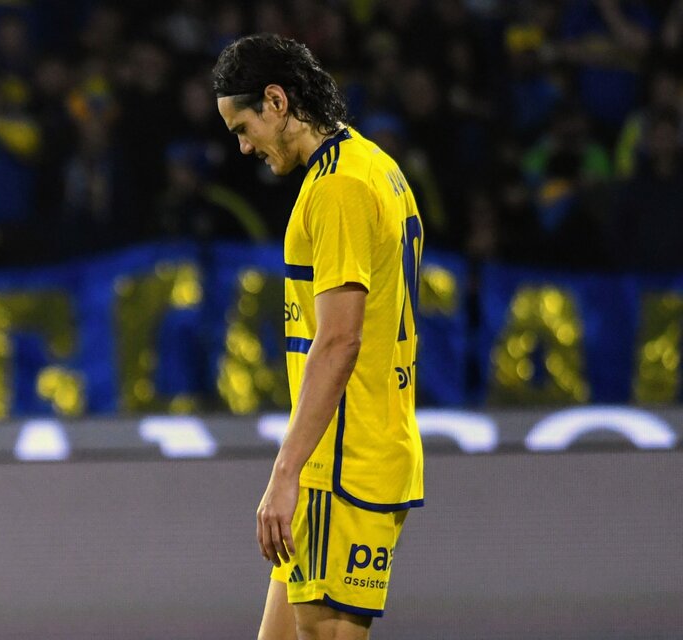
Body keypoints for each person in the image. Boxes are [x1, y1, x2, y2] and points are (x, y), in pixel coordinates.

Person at [212, 34, 424, 639]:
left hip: (342, 463)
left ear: (276, 101)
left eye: (243, 126)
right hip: (343, 456)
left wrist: (285, 474)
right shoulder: (372, 164)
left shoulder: (337, 189)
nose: (245, 145)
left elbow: (339, 341)